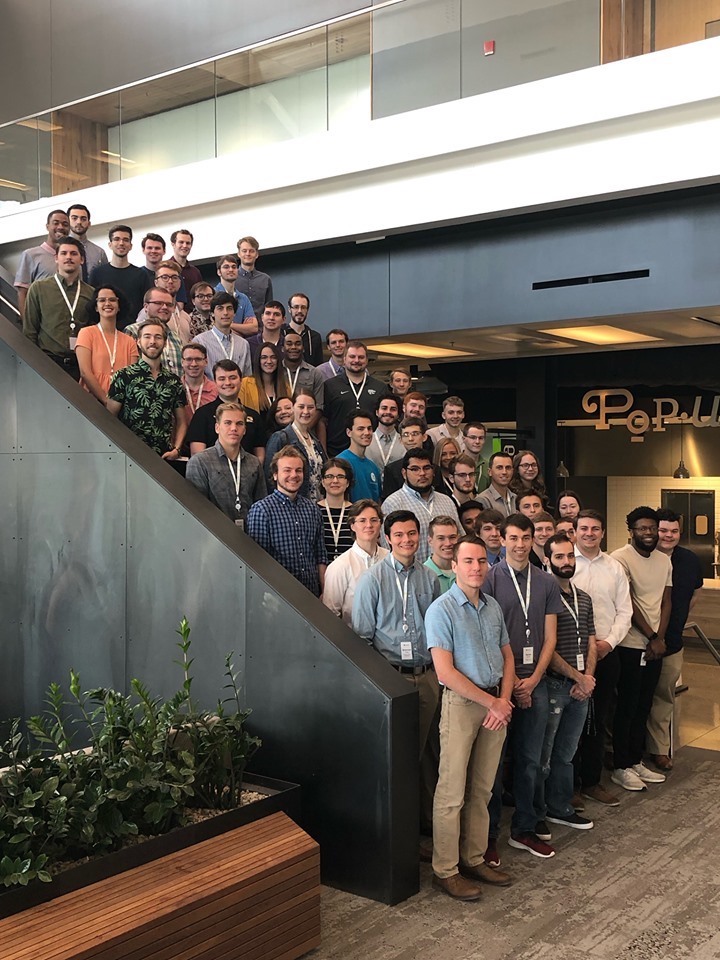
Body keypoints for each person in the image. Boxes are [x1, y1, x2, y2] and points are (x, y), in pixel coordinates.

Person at [427, 535, 515, 901]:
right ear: (454, 565)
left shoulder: (492, 606)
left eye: (481, 561)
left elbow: (508, 656)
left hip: (496, 703)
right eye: (468, 561)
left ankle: (474, 858)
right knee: (451, 793)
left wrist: (504, 700)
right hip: (463, 705)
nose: (476, 568)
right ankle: (445, 870)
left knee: (482, 789)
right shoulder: (441, 609)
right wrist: (491, 703)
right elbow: (445, 673)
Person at [352, 510, 442, 828]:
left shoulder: (429, 578)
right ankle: (403, 832)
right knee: (402, 756)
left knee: (432, 753)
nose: (407, 540)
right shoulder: (372, 579)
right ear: (387, 538)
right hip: (393, 676)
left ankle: (429, 824)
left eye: (412, 533)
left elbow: (438, 628)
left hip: (428, 676)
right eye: (399, 535)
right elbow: (362, 637)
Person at [483, 513, 564, 860]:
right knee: (494, 763)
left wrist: (532, 680)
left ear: (534, 540)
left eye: (525, 538)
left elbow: (550, 637)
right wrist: (513, 680)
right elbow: (487, 635)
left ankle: (524, 828)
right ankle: (485, 838)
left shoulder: (546, 582)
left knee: (532, 760)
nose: (519, 544)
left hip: (536, 681)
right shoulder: (489, 579)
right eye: (513, 538)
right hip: (501, 685)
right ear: (502, 540)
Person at [538, 534, 596, 836]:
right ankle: (540, 811)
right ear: (547, 560)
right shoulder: (543, 597)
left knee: (566, 752)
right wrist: (577, 677)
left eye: (570, 556)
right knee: (544, 754)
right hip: (556, 685)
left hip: (581, 688)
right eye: (559, 557)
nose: (567, 562)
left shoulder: (583, 597)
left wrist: (588, 678)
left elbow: (590, 641)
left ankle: (561, 806)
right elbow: (547, 648)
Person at [610, 507, 672, 792]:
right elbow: (628, 602)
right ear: (631, 530)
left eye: (652, 528)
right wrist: (650, 636)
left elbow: (666, 601)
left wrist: (659, 638)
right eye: (642, 528)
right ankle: (620, 766)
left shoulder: (664, 560)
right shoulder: (619, 559)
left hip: (654, 647)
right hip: (630, 645)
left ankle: (635, 761)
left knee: (644, 705)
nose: (648, 533)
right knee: (627, 705)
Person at [573, 509, 632, 806]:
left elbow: (625, 611)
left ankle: (592, 782)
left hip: (607, 653)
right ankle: (569, 786)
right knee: (570, 724)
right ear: (575, 531)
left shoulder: (614, 568)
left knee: (598, 720)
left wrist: (609, 642)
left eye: (595, 529)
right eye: (584, 528)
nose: (589, 533)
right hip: (571, 656)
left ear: (603, 533)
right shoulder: (562, 563)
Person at [646, 508, 703, 772]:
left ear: (680, 533)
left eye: (673, 531)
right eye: (663, 530)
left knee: (664, 697)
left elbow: (693, 595)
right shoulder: (642, 556)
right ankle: (625, 750)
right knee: (632, 697)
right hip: (640, 641)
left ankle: (658, 750)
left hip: (672, 642)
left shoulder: (689, 560)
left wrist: (676, 624)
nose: (668, 536)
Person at [247, 445, 327, 597]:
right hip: (279, 597)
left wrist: (325, 591)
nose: (294, 475)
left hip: (312, 595)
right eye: (287, 470)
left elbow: (320, 554)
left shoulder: (312, 509)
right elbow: (258, 561)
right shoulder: (262, 510)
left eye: (298, 470)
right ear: (275, 475)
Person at [106, 320, 186, 459]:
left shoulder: (173, 381)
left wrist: (177, 450)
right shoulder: (124, 376)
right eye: (147, 336)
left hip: (163, 457)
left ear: (165, 342)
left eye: (158, 337)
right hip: (129, 456)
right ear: (138, 341)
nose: (152, 341)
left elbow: (181, 421)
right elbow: (109, 419)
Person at [23, 236, 93, 380]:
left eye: (74, 254)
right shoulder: (39, 288)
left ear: (82, 259)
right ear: (56, 258)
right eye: (64, 253)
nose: (68, 257)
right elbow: (30, 331)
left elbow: (93, 331)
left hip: (81, 365)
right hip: (48, 362)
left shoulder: (91, 293)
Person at [185, 402, 266, 524]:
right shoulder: (200, 462)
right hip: (215, 535)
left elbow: (261, 504)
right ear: (217, 428)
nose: (234, 428)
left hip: (250, 536)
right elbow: (196, 509)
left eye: (239, 424)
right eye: (227, 423)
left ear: (244, 430)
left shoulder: (254, 463)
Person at [382, 449, 460, 563]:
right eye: (415, 469)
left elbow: (460, 539)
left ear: (433, 471)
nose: (422, 473)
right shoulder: (393, 504)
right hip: (411, 575)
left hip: (448, 574)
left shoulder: (447, 501)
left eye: (427, 468)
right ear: (404, 473)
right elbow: (386, 548)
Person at [187, 359, 266, 465]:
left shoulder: (254, 416)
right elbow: (197, 455)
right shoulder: (202, 415)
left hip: (246, 477)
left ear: (241, 380)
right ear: (215, 382)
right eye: (222, 379)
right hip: (213, 477)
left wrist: (250, 474)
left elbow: (260, 455)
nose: (227, 383)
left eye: (232, 378)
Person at [323, 500, 387, 624]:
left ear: (380, 524)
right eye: (362, 520)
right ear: (352, 525)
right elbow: (330, 614)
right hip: (352, 639)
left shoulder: (390, 559)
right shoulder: (339, 566)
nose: (369, 525)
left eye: (374, 520)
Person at [324, 340, 388, 456]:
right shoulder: (330, 386)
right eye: (352, 357)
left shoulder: (380, 387)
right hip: (337, 451)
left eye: (361, 357)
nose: (356, 361)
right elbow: (323, 421)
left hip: (373, 451)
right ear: (344, 359)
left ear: (367, 360)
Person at [76, 285, 138, 402]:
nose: (107, 303)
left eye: (112, 300)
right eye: (102, 300)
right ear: (96, 307)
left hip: (121, 403)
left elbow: (132, 377)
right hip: (91, 399)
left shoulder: (129, 341)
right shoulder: (86, 333)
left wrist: (117, 404)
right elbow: (85, 372)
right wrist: (106, 400)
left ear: (119, 307)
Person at [264, 391, 326, 500]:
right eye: (301, 407)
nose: (306, 411)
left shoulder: (315, 440)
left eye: (310, 407)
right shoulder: (280, 438)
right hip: (291, 506)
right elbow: (269, 476)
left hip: (316, 506)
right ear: (292, 408)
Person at [89, 225, 153, 323]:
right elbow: (93, 304)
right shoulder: (97, 273)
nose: (121, 243)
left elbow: (146, 307)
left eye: (126, 240)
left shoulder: (141, 275)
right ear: (110, 244)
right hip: (104, 329)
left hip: (133, 331)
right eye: (117, 239)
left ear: (131, 246)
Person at [14, 209, 70, 317]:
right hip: (41, 322)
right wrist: (27, 324)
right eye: (56, 223)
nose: (60, 227)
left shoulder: (71, 258)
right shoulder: (30, 255)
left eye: (65, 224)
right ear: (47, 226)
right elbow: (22, 293)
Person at [192, 291, 252, 379]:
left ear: (234, 313)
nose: (225, 313)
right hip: (211, 391)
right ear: (212, 313)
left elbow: (247, 377)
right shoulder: (200, 342)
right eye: (220, 308)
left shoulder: (243, 344)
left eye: (229, 308)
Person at [124, 288, 183, 377]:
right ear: (146, 306)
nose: (164, 307)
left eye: (169, 304)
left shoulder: (175, 337)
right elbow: (128, 370)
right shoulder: (132, 331)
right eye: (158, 303)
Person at [338, 410, 382, 502]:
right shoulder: (340, 462)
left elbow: (377, 501)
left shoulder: (373, 467)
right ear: (349, 432)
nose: (367, 433)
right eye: (360, 429)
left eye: (369, 428)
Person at [318, 458, 355, 563]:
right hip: (321, 572)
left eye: (340, 477)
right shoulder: (313, 511)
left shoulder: (356, 512)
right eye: (329, 476)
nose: (335, 481)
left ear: (347, 482)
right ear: (323, 481)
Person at [147, 260, 191, 345]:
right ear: (156, 282)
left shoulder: (186, 317)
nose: (170, 281)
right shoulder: (148, 312)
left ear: (180, 283)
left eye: (174, 277)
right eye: (165, 277)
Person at [382, 417, 428, 498]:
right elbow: (388, 500)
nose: (410, 439)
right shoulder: (391, 470)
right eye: (406, 435)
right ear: (401, 439)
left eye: (415, 434)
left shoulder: (434, 468)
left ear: (424, 437)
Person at [239, 341, 289, 414]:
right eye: (264, 357)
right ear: (258, 361)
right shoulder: (245, 384)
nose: (269, 361)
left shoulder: (285, 387)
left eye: (273, 357)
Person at [281, 331, 325, 412]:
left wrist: (304, 424)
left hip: (306, 420)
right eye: (289, 344)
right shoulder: (276, 371)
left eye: (298, 344)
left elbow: (319, 407)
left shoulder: (315, 373)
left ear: (303, 348)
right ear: (283, 348)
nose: (294, 347)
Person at [214, 255, 257, 337]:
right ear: (219, 272)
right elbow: (212, 325)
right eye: (226, 267)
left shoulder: (243, 298)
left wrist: (227, 325)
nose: (231, 270)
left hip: (239, 345)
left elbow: (253, 328)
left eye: (234, 267)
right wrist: (243, 328)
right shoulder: (213, 295)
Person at [179, 342, 219, 431]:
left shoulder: (216, 390)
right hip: (179, 442)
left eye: (198, 359)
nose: (193, 364)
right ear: (182, 362)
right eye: (189, 359)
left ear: (206, 362)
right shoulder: (174, 388)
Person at [235, 235, 273, 320]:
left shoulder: (265, 279)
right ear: (239, 254)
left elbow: (269, 308)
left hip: (260, 329)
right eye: (244, 251)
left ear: (256, 254)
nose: (248, 254)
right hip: (236, 329)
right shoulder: (232, 278)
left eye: (251, 251)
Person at [67, 202, 107, 279]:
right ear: (68, 221)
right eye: (74, 218)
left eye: (83, 219)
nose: (79, 222)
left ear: (89, 224)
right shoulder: (59, 249)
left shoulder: (99, 253)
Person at [367, 394, 404, 474]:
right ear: (377, 412)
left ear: (398, 415)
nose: (388, 412)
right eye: (384, 408)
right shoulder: (366, 440)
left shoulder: (404, 441)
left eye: (393, 409)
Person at [424, 516, 460, 593]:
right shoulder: (422, 575)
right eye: (441, 538)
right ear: (430, 541)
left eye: (452, 537)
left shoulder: (465, 570)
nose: (448, 543)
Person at [286, 292, 323, 367]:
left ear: (307, 310)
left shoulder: (315, 337)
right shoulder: (281, 333)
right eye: (296, 307)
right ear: (289, 309)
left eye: (303, 307)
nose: (299, 311)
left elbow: (319, 367)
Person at [477, 452, 517, 517]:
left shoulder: (516, 498)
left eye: (508, 468)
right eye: (499, 468)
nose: (504, 472)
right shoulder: (482, 500)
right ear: (490, 472)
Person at [170, 228, 203, 305]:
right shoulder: (166, 269)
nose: (184, 246)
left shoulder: (195, 272)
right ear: (173, 244)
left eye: (188, 243)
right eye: (181, 242)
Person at [462, 422, 490, 494]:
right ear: (463, 439)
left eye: (481, 438)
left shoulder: (489, 466)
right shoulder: (455, 463)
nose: (477, 441)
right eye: (473, 437)